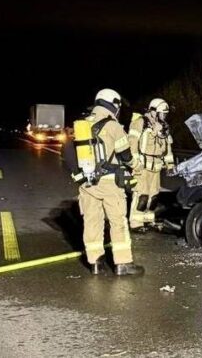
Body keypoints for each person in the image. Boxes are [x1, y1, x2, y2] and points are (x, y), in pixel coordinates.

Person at [78, 89, 144, 276]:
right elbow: (125, 155)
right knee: (118, 222)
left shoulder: (82, 124)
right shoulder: (113, 126)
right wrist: (137, 166)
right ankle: (123, 264)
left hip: (87, 182)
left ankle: (95, 263)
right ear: (113, 104)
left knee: (92, 221)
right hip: (109, 183)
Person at [128, 98, 174, 231]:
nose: (163, 116)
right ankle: (136, 223)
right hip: (142, 166)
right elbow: (132, 144)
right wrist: (135, 163)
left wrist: (170, 165)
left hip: (157, 166)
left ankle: (148, 220)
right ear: (153, 111)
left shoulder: (163, 126)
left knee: (153, 196)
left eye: (165, 114)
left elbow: (167, 147)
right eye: (161, 113)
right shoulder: (140, 123)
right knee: (141, 195)